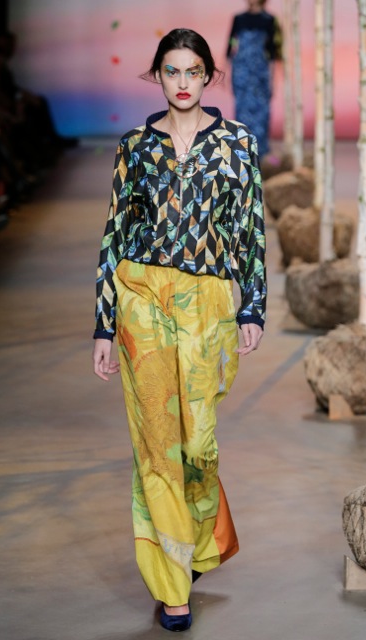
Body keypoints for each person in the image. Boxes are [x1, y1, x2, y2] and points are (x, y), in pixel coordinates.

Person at [92, 28, 266, 632]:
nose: (184, 82)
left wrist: (253, 306)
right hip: (141, 296)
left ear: (210, 75)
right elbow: (115, 234)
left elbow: (249, 228)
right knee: (157, 443)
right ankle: (172, 584)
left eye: (194, 70)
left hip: (208, 303)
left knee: (198, 444)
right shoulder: (136, 146)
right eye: (172, 70)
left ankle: (196, 539)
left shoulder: (237, 144)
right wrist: (104, 324)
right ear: (157, 75)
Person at [227, 0, 282, 157]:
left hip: (260, 72)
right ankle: (242, 151)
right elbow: (231, 43)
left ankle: (260, 152)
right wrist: (229, 72)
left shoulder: (269, 20)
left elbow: (272, 51)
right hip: (241, 71)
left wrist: (272, 78)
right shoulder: (238, 19)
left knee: (261, 111)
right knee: (241, 109)